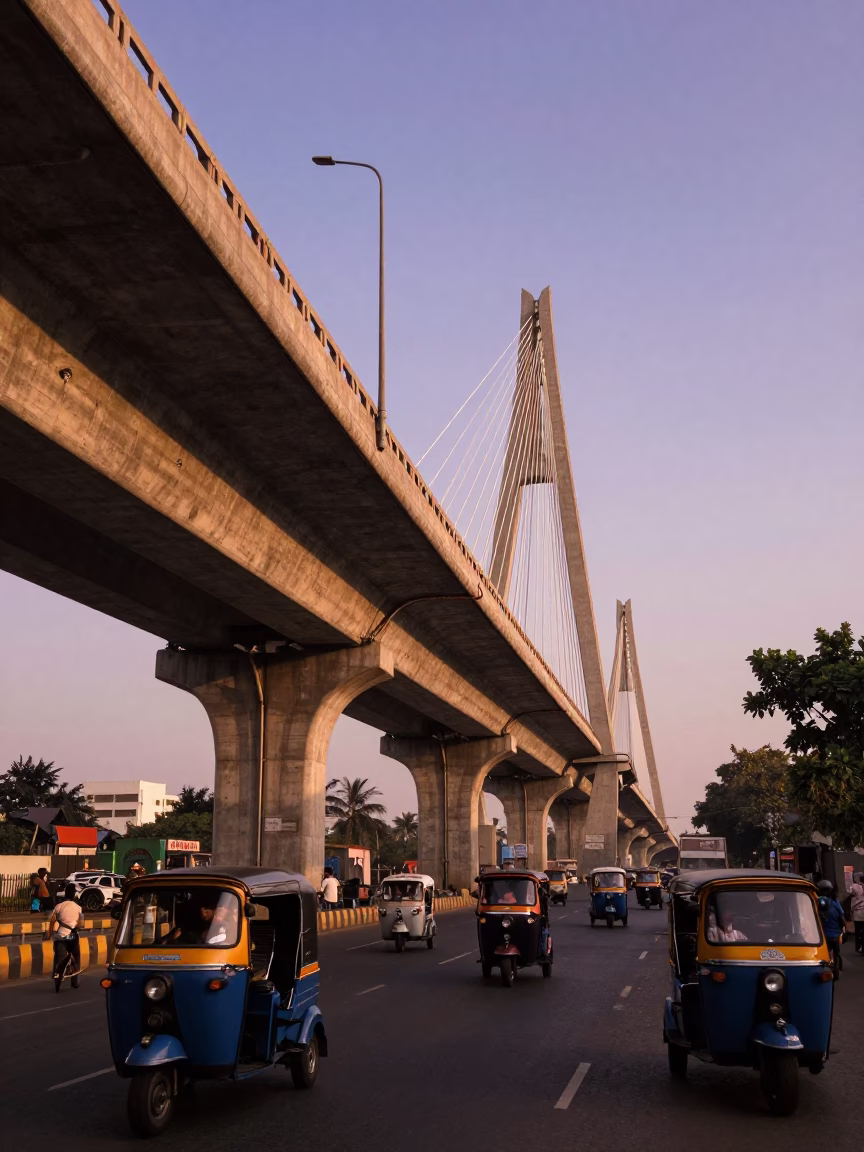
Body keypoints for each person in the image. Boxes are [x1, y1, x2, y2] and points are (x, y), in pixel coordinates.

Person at [48, 883, 82, 991]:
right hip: (72, 936)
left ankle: (56, 974)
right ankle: (75, 981)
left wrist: (49, 934)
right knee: (76, 956)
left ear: (65, 893)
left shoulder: (58, 906)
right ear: (74, 894)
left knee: (58, 958)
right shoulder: (78, 908)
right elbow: (81, 924)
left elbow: (52, 921)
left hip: (60, 936)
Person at [817, 880, 845, 977]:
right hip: (835, 933)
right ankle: (836, 967)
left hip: (823, 933)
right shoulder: (835, 902)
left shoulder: (819, 900)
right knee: (836, 951)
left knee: (825, 951)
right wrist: (842, 930)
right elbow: (841, 916)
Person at [849, 872, 864, 955]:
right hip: (861, 912)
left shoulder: (854, 886)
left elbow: (850, 892)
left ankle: (859, 947)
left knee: (858, 931)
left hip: (858, 912)